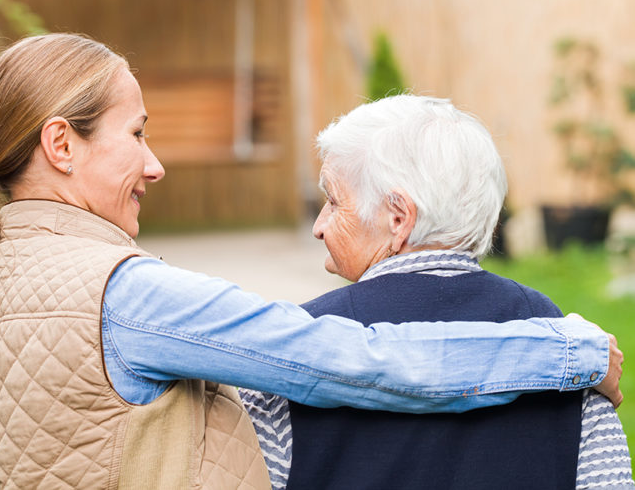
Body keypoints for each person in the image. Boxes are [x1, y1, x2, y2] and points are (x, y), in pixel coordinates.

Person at [0, 34, 620, 489]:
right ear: (61, 145)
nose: (154, 164)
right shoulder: (123, 296)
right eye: (136, 134)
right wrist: (572, 351)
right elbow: (354, 361)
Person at [241, 95, 633, 490]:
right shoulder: (566, 344)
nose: (319, 226)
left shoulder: (293, 347)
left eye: (333, 201)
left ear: (398, 217)